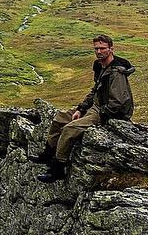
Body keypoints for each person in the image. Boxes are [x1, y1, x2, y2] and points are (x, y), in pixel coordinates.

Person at [35, 34, 134, 183]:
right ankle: (48, 154)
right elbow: (95, 91)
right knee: (60, 118)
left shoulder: (116, 72)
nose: (99, 51)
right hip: (96, 106)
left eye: (102, 48)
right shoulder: (100, 66)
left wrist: (101, 115)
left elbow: (118, 102)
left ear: (111, 49)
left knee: (70, 128)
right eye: (96, 48)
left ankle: (58, 168)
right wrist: (81, 109)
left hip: (108, 112)